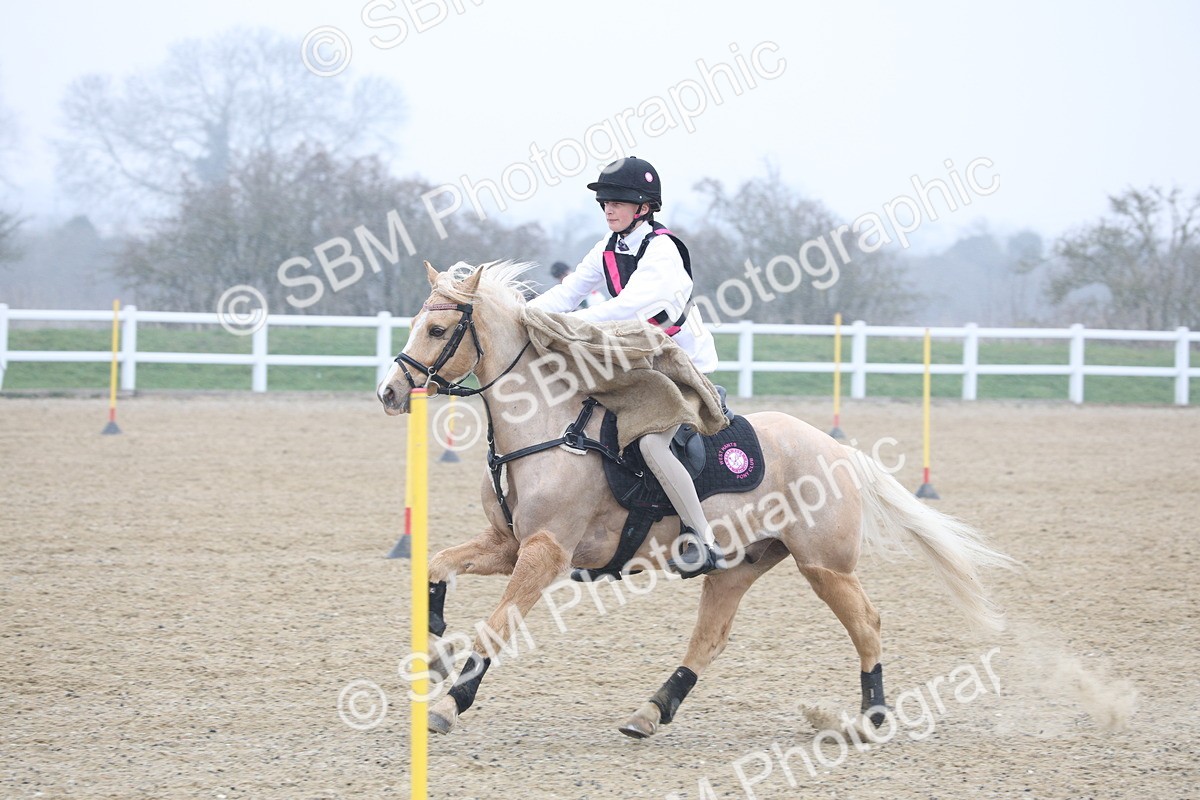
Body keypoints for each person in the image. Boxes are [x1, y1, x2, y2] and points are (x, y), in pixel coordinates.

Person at [528, 156, 724, 578]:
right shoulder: (608, 247)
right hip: (643, 364)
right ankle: (607, 544)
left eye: (618, 201)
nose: (608, 209)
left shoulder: (663, 250)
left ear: (644, 207)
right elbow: (566, 295)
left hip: (685, 369)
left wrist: (561, 327)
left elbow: (627, 310)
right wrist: (521, 316)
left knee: (652, 444)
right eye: (604, 202)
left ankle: (703, 540)